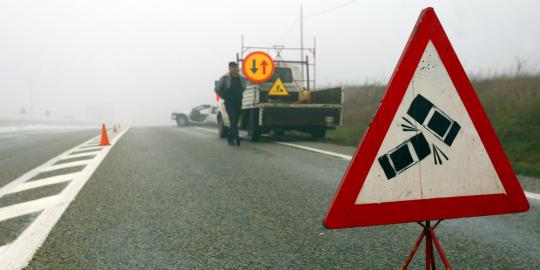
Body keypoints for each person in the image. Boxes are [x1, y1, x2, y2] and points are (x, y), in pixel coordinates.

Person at [215, 61, 246, 146]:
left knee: (235, 121)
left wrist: (239, 94)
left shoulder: (241, 78)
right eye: (233, 68)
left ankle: (230, 137)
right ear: (230, 69)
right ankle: (236, 137)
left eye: (236, 68)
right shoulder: (225, 78)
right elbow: (217, 89)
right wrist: (223, 96)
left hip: (238, 101)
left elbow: (244, 88)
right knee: (232, 119)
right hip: (229, 102)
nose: (235, 69)